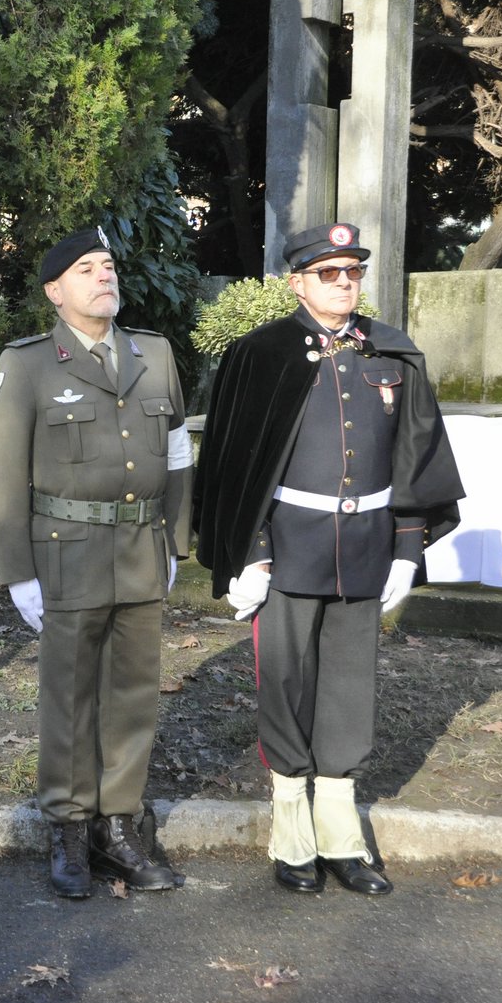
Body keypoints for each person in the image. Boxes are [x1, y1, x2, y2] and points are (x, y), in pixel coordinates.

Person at [193, 223, 463, 896]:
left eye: (352, 273)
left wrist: (407, 546)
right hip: (289, 547)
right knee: (286, 682)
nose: (344, 283)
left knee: (348, 686)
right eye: (328, 274)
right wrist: (249, 555)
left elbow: (416, 456)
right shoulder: (261, 355)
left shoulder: (392, 352)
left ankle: (341, 836)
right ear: (297, 282)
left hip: (367, 547)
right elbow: (234, 464)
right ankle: (293, 834)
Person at [0, 226, 192, 899]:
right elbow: (1, 473)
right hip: (65, 554)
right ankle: (69, 826)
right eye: (85, 268)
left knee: (132, 694)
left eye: (108, 265)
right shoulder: (31, 363)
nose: (104, 275)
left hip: (139, 550)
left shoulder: (153, 355)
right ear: (55, 290)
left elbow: (179, 453)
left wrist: (175, 541)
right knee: (69, 696)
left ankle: (117, 825)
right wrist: (17, 571)